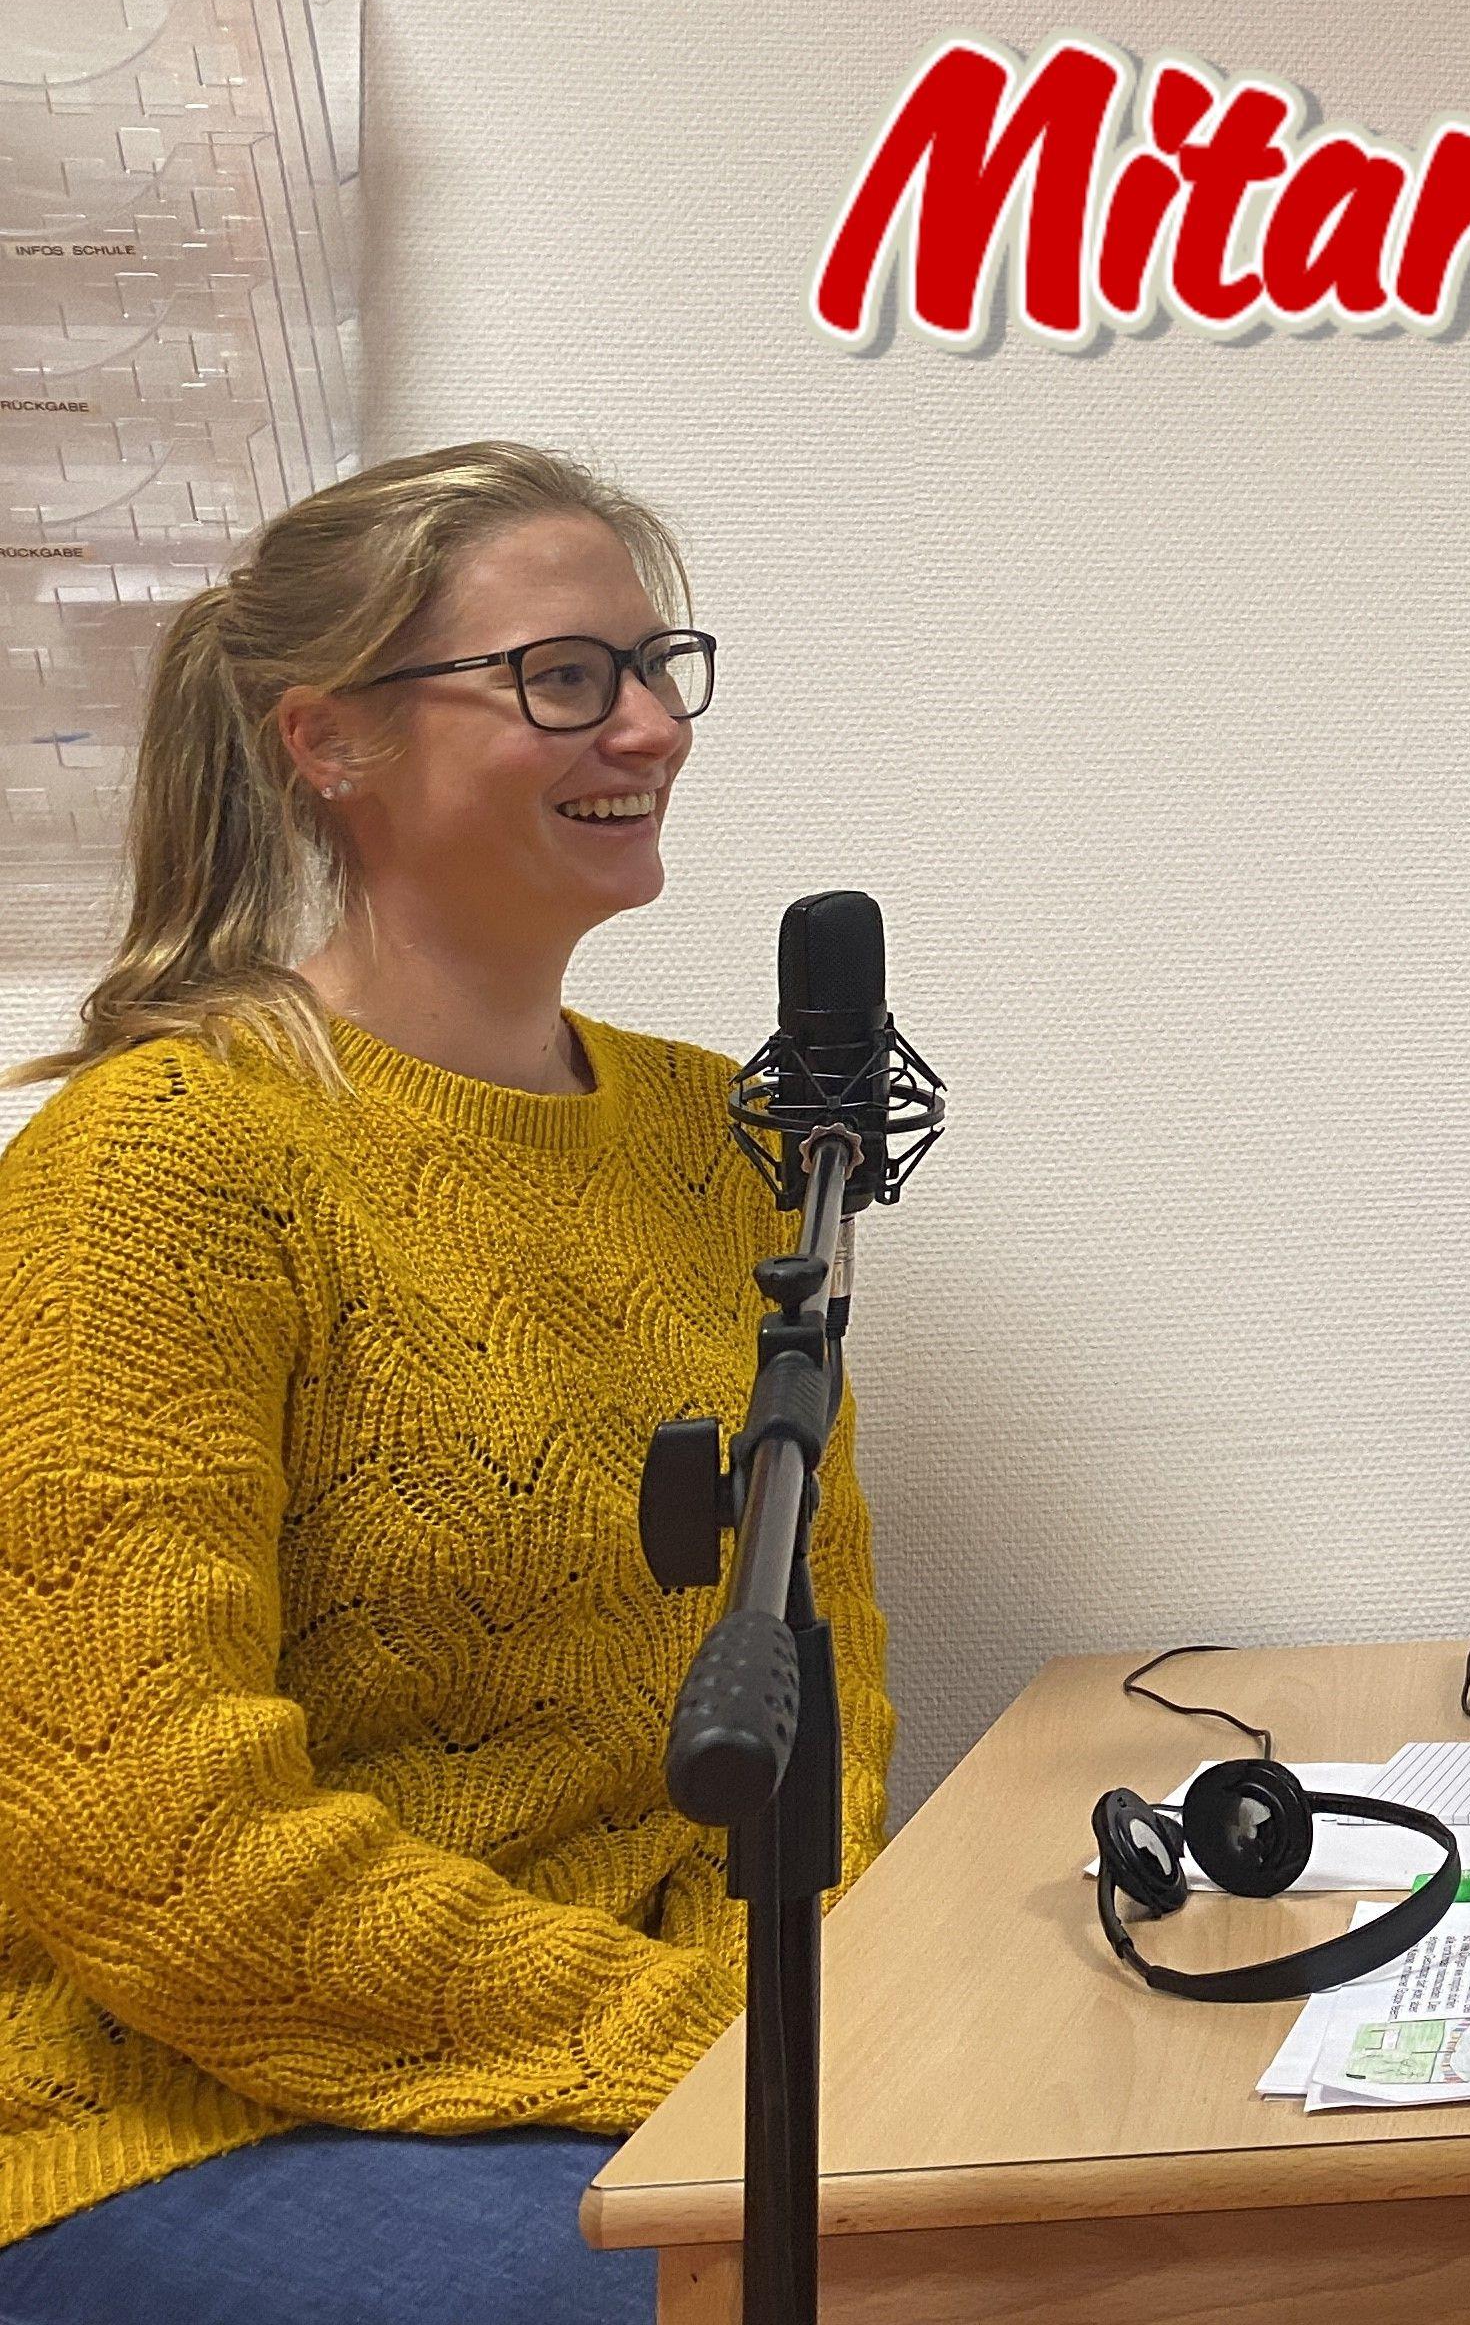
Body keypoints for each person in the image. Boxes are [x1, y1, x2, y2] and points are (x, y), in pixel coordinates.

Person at [0, 443, 896, 2325]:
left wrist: (804, 2012)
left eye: (656, 666)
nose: (650, 727)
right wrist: (714, 2042)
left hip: (656, 2066)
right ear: (330, 741)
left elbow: (812, 1677)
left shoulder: (712, 1140)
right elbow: (144, 1839)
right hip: (189, 2107)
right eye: (562, 677)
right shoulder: (160, 1164)